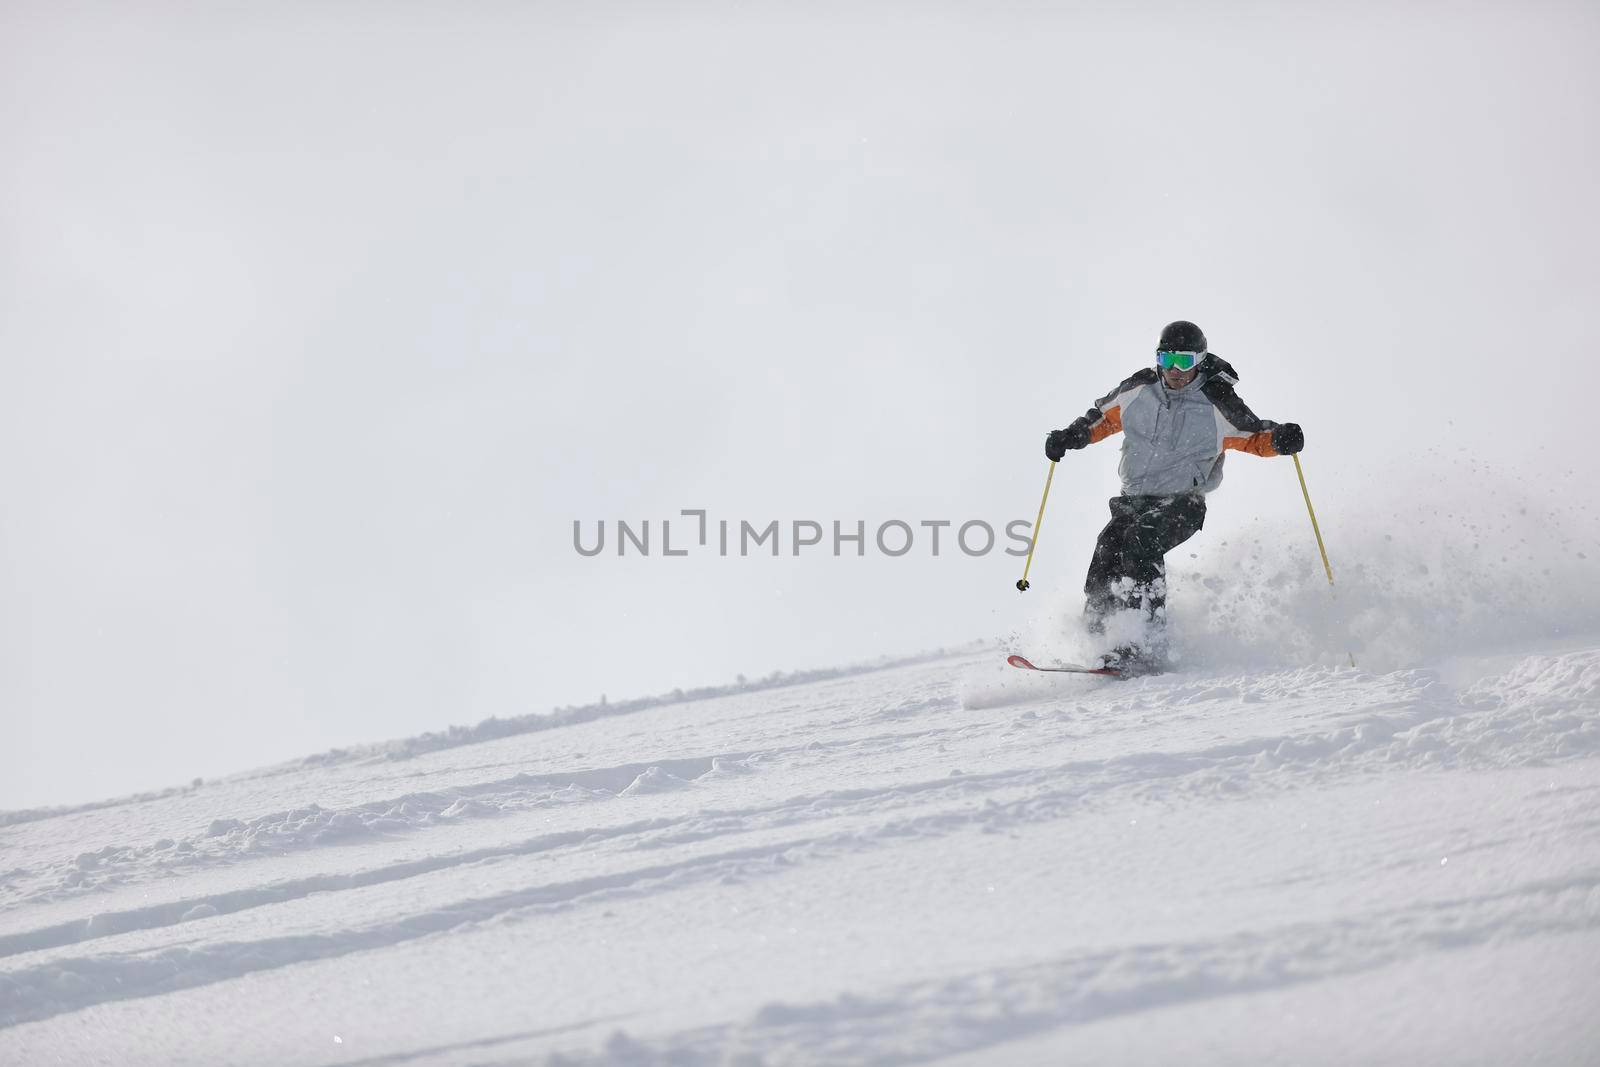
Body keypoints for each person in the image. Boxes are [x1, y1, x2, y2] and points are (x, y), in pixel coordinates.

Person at [1043, 321, 1303, 674]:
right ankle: (1100, 638)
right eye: (1166, 360)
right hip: (1133, 500)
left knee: (1142, 540)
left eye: (1183, 361)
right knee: (1108, 548)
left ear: (1199, 359)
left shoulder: (1215, 400)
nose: (1174, 370)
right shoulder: (1139, 390)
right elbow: (1100, 419)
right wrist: (1069, 437)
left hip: (1183, 503)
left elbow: (1253, 434)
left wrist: (1280, 439)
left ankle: (1146, 641)